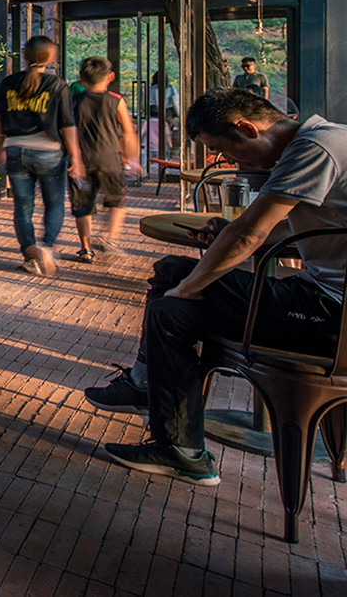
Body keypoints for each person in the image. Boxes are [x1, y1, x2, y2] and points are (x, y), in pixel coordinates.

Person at [82, 88, 346, 486]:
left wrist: (190, 288)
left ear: (247, 128)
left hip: (334, 318)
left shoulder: (313, 149)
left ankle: (181, 450)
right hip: (323, 300)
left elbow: (249, 232)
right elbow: (286, 225)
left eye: (227, 152)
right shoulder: (327, 136)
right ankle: (143, 384)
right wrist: (219, 243)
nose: (232, 163)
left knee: (170, 310)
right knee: (172, 270)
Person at [0, 36, 86, 275]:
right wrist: (76, 157)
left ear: (24, 55)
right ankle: (47, 247)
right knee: (54, 204)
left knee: (22, 206)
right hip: (49, 152)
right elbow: (67, 125)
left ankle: (30, 254)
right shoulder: (57, 84)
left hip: (15, 150)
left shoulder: (8, 83)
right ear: (50, 58)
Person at [67, 57, 142, 263]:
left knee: (83, 205)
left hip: (81, 162)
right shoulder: (116, 101)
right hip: (110, 160)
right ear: (111, 77)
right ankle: (109, 237)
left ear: (81, 78)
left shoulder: (72, 102)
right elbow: (128, 132)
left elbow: (65, 130)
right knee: (116, 201)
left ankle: (86, 248)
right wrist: (133, 159)